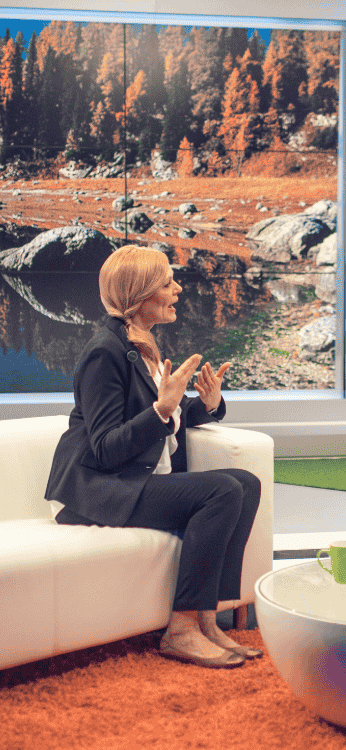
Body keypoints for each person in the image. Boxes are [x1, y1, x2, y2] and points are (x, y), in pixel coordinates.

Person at [45, 245, 262, 669]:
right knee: (220, 491)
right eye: (167, 282)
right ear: (140, 293)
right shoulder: (103, 352)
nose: (177, 289)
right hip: (99, 489)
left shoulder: (141, 344)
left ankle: (207, 620)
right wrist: (162, 409)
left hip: (135, 477)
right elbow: (107, 447)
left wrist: (208, 405)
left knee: (246, 483)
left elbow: (165, 414)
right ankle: (180, 630)